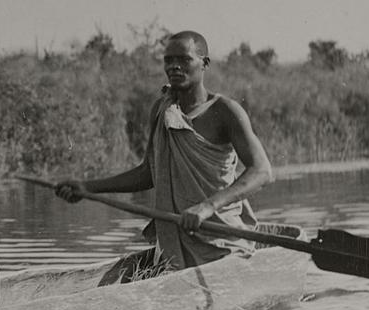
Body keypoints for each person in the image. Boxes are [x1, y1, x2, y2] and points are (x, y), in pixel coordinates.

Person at [55, 30, 273, 274]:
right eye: (169, 60)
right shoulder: (162, 109)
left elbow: (262, 171)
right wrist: (88, 187)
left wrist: (207, 207)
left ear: (204, 63)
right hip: (174, 245)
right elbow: (149, 172)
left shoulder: (225, 111)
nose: (174, 67)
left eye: (184, 59)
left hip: (222, 244)